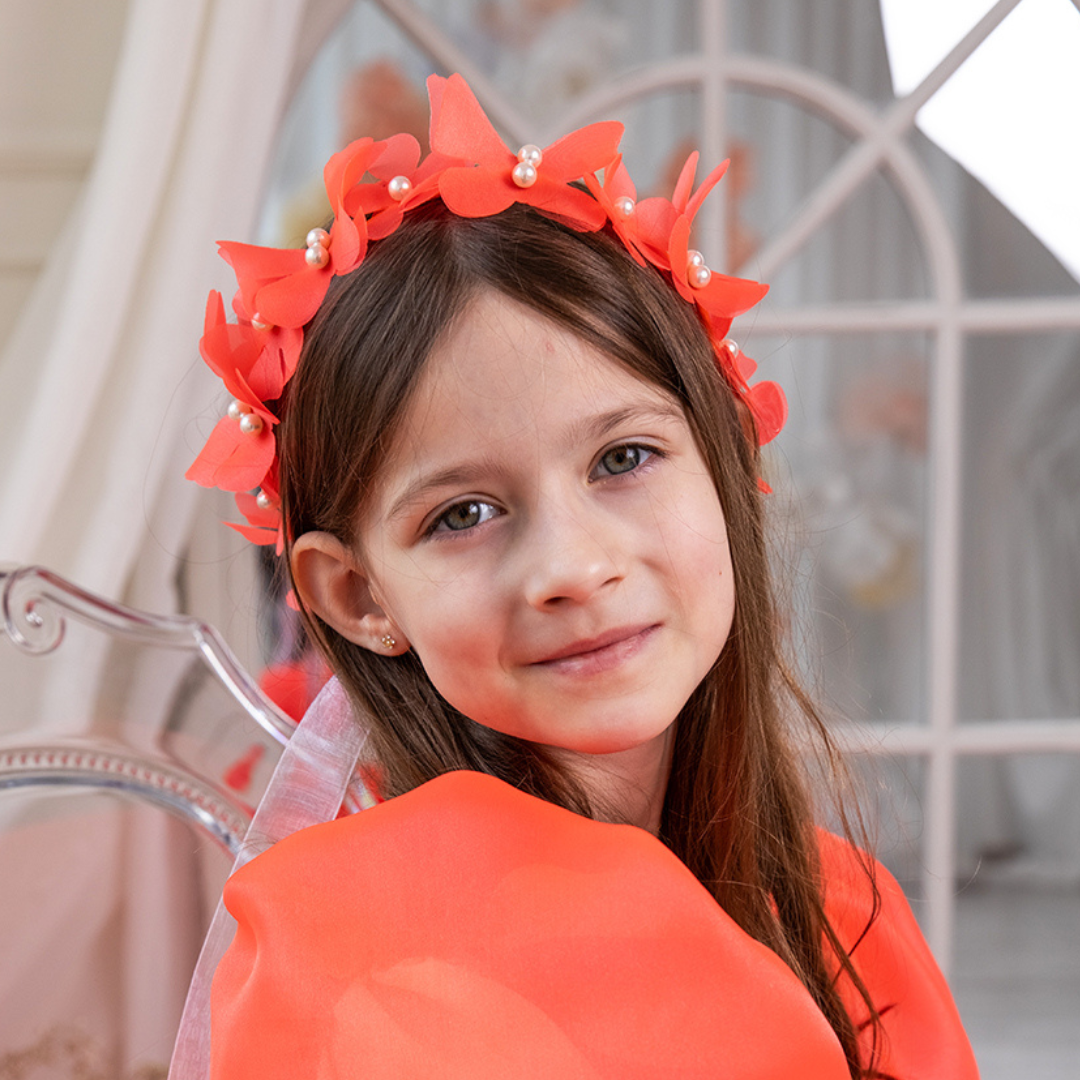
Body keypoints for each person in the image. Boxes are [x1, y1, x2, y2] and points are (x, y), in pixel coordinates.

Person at [179, 74, 979, 1079]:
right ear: (359, 595)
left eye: (622, 459)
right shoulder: (349, 947)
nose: (573, 566)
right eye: (462, 515)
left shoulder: (848, 912)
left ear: (726, 457)